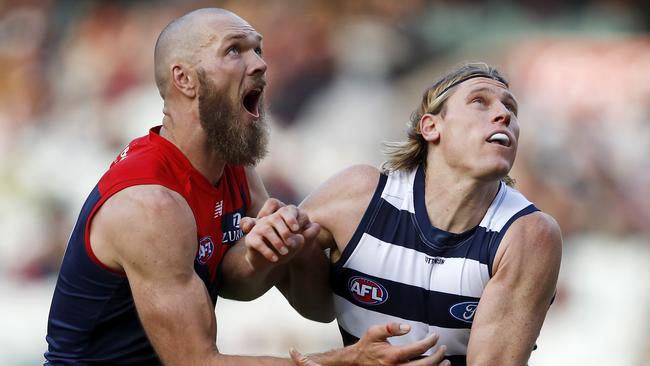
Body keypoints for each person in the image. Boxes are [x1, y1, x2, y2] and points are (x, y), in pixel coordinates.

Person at [43, 8, 450, 366]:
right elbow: (196, 363)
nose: (259, 64)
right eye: (235, 50)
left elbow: (312, 306)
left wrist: (288, 247)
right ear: (184, 79)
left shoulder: (233, 166)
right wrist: (347, 361)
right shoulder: (151, 205)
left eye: (258, 49)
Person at [261, 63, 561, 366]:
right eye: (479, 101)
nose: (504, 114)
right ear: (430, 127)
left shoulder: (528, 234)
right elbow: (307, 304)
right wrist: (274, 245)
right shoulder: (359, 195)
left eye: (510, 107)